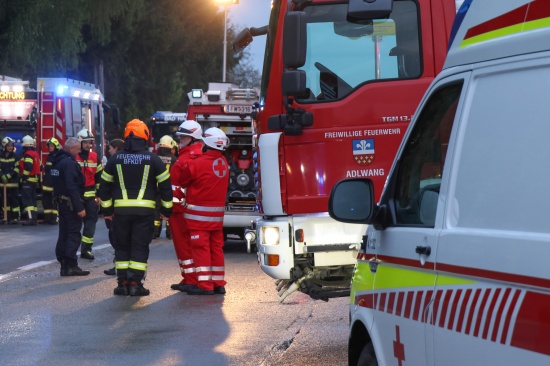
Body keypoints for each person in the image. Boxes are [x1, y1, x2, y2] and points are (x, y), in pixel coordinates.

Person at [100, 119, 172, 296]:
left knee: (122, 246)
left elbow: (104, 187)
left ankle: (122, 284)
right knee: (139, 247)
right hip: (144, 213)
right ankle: (135, 284)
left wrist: (107, 211)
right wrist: (166, 210)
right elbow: (165, 187)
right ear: (145, 137)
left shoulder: (115, 159)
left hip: (120, 213)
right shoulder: (153, 159)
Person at [173, 127, 230, 295]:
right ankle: (218, 283)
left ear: (206, 144)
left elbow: (182, 181)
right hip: (217, 218)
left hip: (198, 218)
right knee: (216, 248)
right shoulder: (224, 163)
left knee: (201, 248)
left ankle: (205, 286)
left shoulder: (195, 164)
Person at [168, 120, 203, 292]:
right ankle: (189, 277)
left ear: (193, 138)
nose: (180, 139)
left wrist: (168, 208)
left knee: (184, 245)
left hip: (180, 209)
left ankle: (191, 279)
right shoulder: (195, 153)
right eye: (180, 136)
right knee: (190, 245)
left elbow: (177, 187)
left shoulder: (187, 158)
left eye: (184, 137)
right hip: (187, 208)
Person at [51, 137, 89, 276]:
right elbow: (72, 186)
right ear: (71, 148)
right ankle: (71, 264)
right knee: (73, 234)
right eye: (78, 149)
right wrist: (79, 207)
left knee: (64, 233)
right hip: (71, 204)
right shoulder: (68, 163)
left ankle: (64, 265)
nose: (79, 152)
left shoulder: (57, 161)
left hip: (61, 203)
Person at [76, 128, 102, 260]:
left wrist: (98, 195)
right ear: (79, 142)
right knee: (74, 225)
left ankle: (86, 250)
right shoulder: (75, 156)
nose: (88, 145)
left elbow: (99, 177)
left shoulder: (94, 157)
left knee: (90, 224)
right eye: (85, 142)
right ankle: (71, 250)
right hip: (77, 197)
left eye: (90, 142)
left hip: (91, 197)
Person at [102, 138, 124, 276]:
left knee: (116, 237)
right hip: (126, 206)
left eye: (110, 148)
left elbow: (106, 187)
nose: (109, 150)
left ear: (116, 148)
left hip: (117, 206)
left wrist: (108, 211)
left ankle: (119, 266)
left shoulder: (113, 161)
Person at [153, 135, 177, 239]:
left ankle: (155, 232)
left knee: (156, 212)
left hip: (155, 189)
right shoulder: (174, 160)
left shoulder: (154, 158)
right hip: (169, 190)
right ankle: (170, 233)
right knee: (168, 211)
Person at [17, 135, 41, 225]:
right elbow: (41, 166)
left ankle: (30, 218)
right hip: (34, 180)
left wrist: (24, 176)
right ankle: (34, 218)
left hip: (28, 180)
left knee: (27, 200)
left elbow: (28, 167)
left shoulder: (27, 154)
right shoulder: (36, 154)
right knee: (33, 200)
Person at [41, 138, 61, 225]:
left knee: (54, 202)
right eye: (49, 146)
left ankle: (54, 219)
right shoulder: (49, 156)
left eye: (52, 146)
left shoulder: (57, 157)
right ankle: (47, 219)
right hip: (46, 184)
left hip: (54, 184)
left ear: (55, 146)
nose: (50, 147)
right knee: (46, 202)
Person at [0, 137, 20, 224]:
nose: (10, 147)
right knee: (4, 200)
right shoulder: (0, 155)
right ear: (4, 146)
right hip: (2, 183)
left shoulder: (16, 156)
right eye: (8, 146)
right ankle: (6, 216)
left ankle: (15, 217)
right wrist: (1, 176)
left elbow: (18, 168)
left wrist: (9, 176)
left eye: (12, 146)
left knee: (14, 200)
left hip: (13, 182)